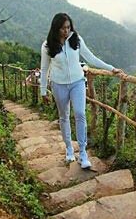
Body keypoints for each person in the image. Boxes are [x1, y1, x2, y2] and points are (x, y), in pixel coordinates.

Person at [40, 12, 123, 169]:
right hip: (58, 84)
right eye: (63, 28)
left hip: (77, 82)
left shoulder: (76, 40)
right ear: (56, 28)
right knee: (64, 116)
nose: (66, 31)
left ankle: (83, 152)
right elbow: (44, 70)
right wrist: (43, 91)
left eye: (68, 27)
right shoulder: (47, 46)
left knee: (80, 114)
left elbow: (91, 58)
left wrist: (112, 69)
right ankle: (69, 150)